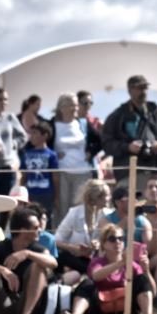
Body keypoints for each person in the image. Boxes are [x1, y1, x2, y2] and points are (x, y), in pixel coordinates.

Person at [65, 224, 154, 314]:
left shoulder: (133, 266)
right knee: (87, 284)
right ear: (103, 244)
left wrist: (146, 271)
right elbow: (96, 276)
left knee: (142, 279)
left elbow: (152, 292)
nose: (117, 242)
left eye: (121, 238)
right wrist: (121, 263)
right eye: (112, 239)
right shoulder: (97, 262)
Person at [100, 74, 157, 185]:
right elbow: (107, 143)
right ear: (130, 90)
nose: (143, 91)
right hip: (127, 173)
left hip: (152, 171)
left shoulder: (154, 112)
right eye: (139, 88)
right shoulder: (118, 115)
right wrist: (127, 147)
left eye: (145, 88)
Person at [49, 93, 100, 221]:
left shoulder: (82, 123)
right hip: (61, 173)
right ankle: (61, 238)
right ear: (62, 107)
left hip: (82, 171)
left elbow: (100, 140)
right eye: (72, 105)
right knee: (62, 207)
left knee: (80, 207)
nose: (76, 108)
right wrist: (53, 154)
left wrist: (91, 153)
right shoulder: (52, 125)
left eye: (77, 105)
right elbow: (40, 143)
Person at [0, 88, 26, 196]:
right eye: (0, 99)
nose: (4, 102)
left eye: (6, 99)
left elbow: (23, 136)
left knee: (8, 199)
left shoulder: (10, 117)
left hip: (8, 165)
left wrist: (12, 145)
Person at [20, 120, 60, 217]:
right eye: (31, 133)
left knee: (45, 218)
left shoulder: (52, 155)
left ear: (45, 135)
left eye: (35, 133)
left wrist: (56, 197)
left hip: (46, 194)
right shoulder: (27, 154)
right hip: (30, 194)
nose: (32, 136)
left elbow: (55, 178)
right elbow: (23, 176)